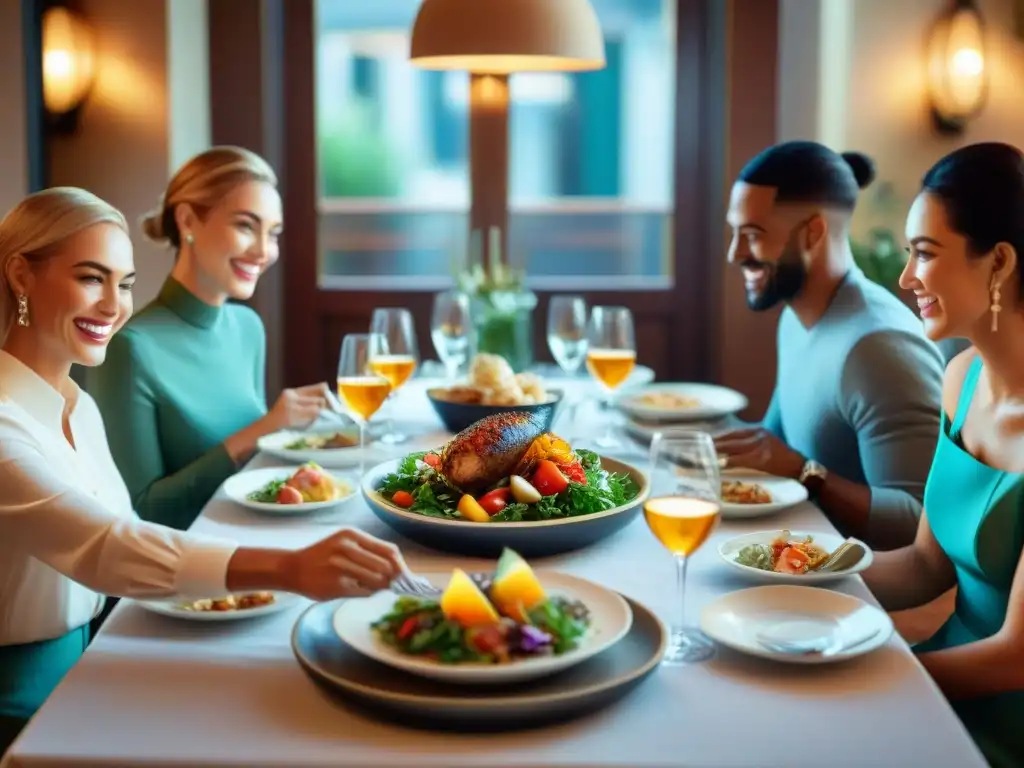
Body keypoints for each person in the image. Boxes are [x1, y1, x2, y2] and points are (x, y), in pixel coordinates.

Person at [0, 187, 405, 755]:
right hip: (22, 701)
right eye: (91, 278)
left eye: (125, 283)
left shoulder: (76, 405)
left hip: (98, 652)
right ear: (21, 276)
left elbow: (127, 526)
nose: (114, 306)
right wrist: (287, 568)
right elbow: (106, 546)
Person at [863, 142, 1024, 768]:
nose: (905, 278)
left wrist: (876, 677)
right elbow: (925, 566)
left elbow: (1015, 655)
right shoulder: (960, 378)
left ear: (1000, 262)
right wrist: (796, 569)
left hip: (1000, 721)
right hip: (934, 672)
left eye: (924, 253)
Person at [716, 141, 944, 550]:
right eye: (735, 233)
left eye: (752, 235)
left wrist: (807, 473)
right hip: (793, 555)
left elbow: (918, 522)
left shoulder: (880, 347)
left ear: (813, 232)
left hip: (856, 597)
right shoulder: (795, 318)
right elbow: (772, 447)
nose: (735, 254)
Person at [89, 147, 331, 531]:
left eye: (274, 233)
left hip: (252, 542)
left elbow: (247, 473)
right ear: (187, 220)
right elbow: (139, 513)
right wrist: (263, 429)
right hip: (180, 573)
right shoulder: (128, 348)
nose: (264, 251)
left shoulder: (248, 328)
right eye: (246, 226)